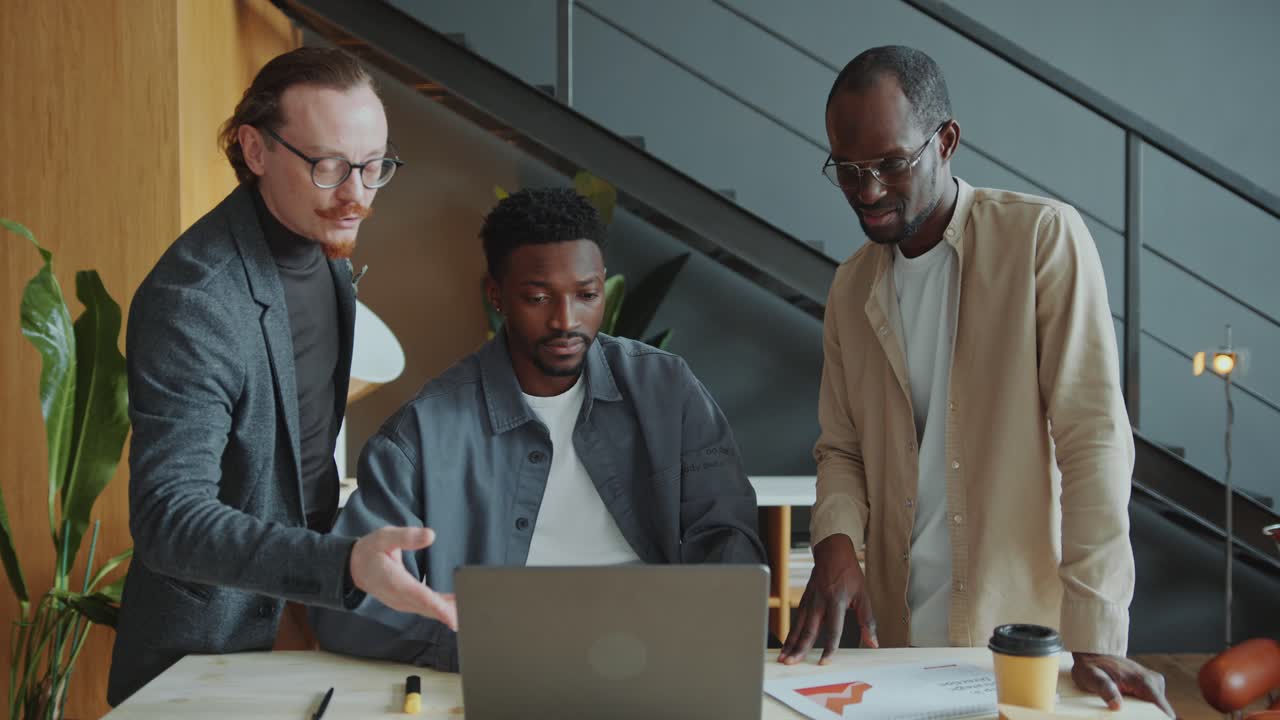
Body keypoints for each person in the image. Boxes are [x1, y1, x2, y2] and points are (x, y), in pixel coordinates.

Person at [776, 46, 1174, 717]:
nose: (867, 189)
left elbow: (1094, 440)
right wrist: (838, 545)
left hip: (1022, 642)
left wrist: (1096, 631)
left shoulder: (1041, 239)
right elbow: (841, 448)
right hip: (896, 647)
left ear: (947, 140)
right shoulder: (851, 286)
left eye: (891, 163)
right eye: (847, 170)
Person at [108, 48, 455, 706]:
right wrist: (342, 565)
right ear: (256, 149)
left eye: (375, 165)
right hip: (208, 647)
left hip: (306, 618)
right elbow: (168, 518)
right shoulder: (196, 300)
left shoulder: (327, 254)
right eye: (328, 166)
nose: (357, 194)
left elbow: (298, 447)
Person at [311, 187, 766, 670]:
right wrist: (480, 644)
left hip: (656, 654)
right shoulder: (423, 433)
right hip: (511, 660)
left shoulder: (666, 389)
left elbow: (727, 537)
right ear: (496, 295)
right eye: (538, 297)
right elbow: (350, 609)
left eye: (586, 295)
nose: (565, 320)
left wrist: (702, 637)